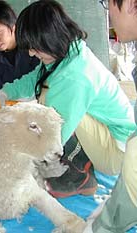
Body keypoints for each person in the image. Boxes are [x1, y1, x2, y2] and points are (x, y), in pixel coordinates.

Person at [0, 0, 136, 200]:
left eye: (33, 47)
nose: (31, 53)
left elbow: (55, 134)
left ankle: (78, 174)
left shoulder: (75, 75)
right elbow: (35, 77)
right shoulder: (67, 50)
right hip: (110, 135)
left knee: (47, 111)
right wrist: (5, 94)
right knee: (44, 100)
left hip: (118, 153)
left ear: (48, 39)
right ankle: (82, 158)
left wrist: (18, 161)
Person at [83, 0, 137, 232]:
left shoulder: (74, 68)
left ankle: (79, 177)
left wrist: (104, 225)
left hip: (119, 149)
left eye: (109, 3)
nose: (108, 14)